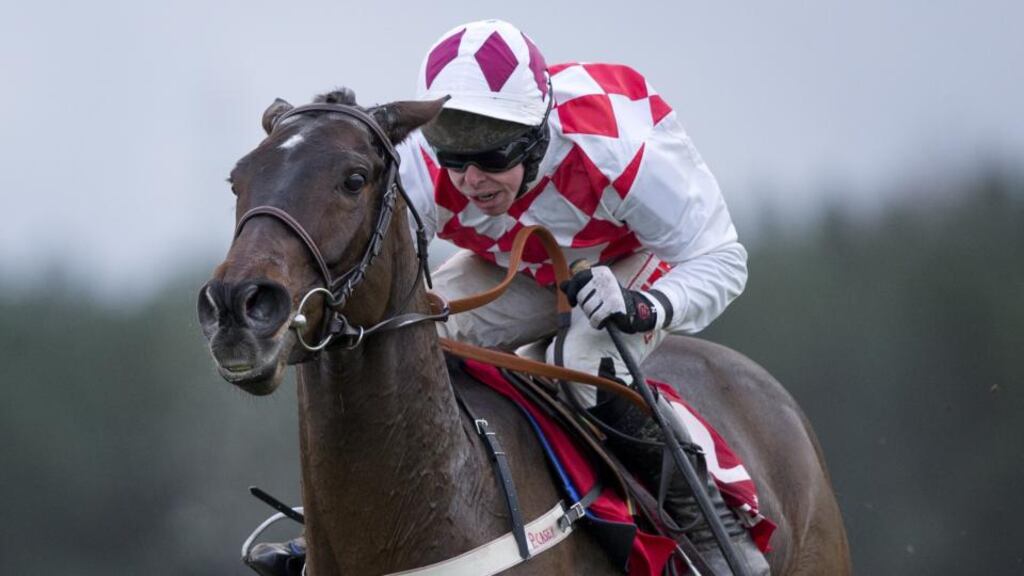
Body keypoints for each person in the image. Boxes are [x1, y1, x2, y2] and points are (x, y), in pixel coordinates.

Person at [248, 19, 766, 576]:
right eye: (454, 153)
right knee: (404, 340)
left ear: (537, 132)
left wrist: (647, 307)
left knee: (581, 358)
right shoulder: (423, 166)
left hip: (626, 261)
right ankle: (337, 529)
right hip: (518, 264)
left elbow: (722, 258)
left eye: (491, 156)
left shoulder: (617, 149)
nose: (470, 177)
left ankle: (704, 520)